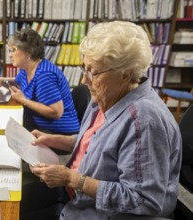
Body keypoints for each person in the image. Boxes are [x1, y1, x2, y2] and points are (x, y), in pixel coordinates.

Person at [26, 21, 182, 220]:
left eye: (93, 72)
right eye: (84, 68)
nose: (84, 80)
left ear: (125, 75)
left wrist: (72, 179)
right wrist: (57, 140)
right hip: (73, 200)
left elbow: (144, 200)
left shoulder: (144, 122)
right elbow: (103, 143)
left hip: (97, 214)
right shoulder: (107, 95)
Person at [0, 28, 80, 135]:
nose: (9, 55)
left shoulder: (44, 75)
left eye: (14, 50)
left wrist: (24, 100)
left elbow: (56, 112)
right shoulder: (26, 68)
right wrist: (1, 81)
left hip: (57, 133)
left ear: (29, 52)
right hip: (38, 123)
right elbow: (17, 81)